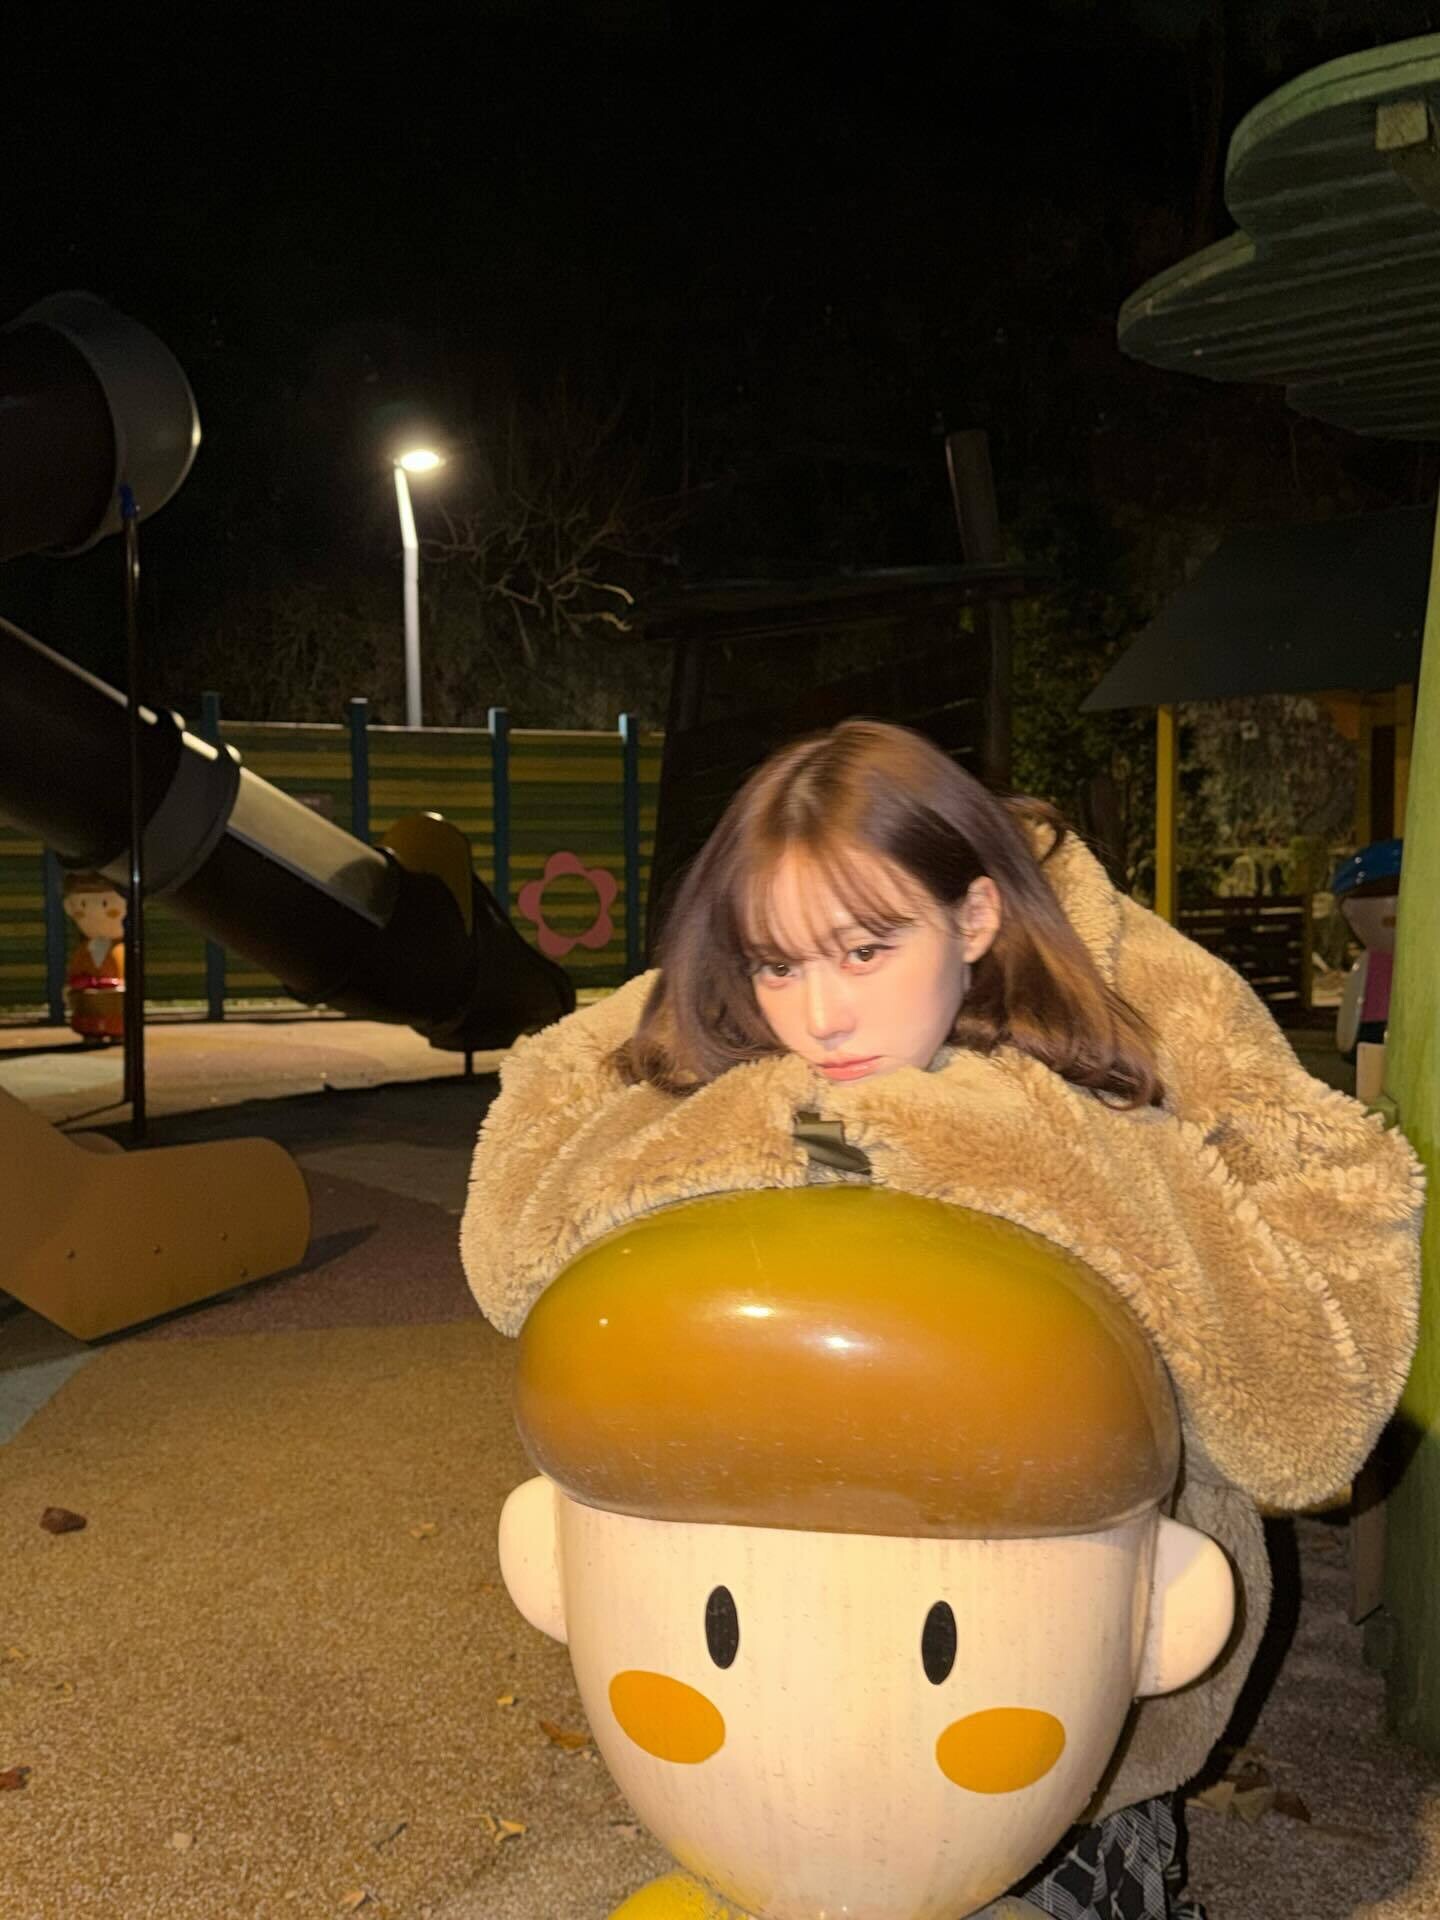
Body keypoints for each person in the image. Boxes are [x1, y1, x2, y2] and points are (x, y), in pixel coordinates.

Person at [462, 720, 1422, 1920]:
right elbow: (509, 1246)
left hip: (1062, 1678)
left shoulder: (1114, 1067)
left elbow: (1305, 1427)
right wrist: (713, 1050)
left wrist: (1081, 1152)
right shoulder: (736, 1066)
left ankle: (1108, 1838)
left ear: (974, 919)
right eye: (775, 964)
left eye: (866, 951)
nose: (820, 1015)